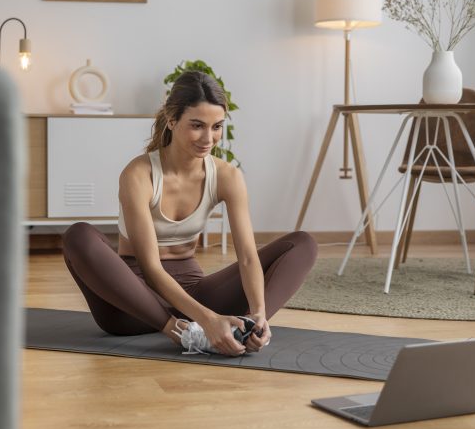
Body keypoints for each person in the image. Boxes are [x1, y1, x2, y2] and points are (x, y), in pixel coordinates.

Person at [61, 71, 317, 356]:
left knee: (303, 244)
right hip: (134, 305)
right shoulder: (139, 174)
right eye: (197, 125)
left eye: (217, 126)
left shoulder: (226, 176)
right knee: (78, 236)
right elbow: (150, 269)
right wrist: (206, 321)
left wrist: (259, 312)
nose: (209, 138)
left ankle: (249, 327)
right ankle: (183, 332)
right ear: (172, 120)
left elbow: (247, 256)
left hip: (196, 295)